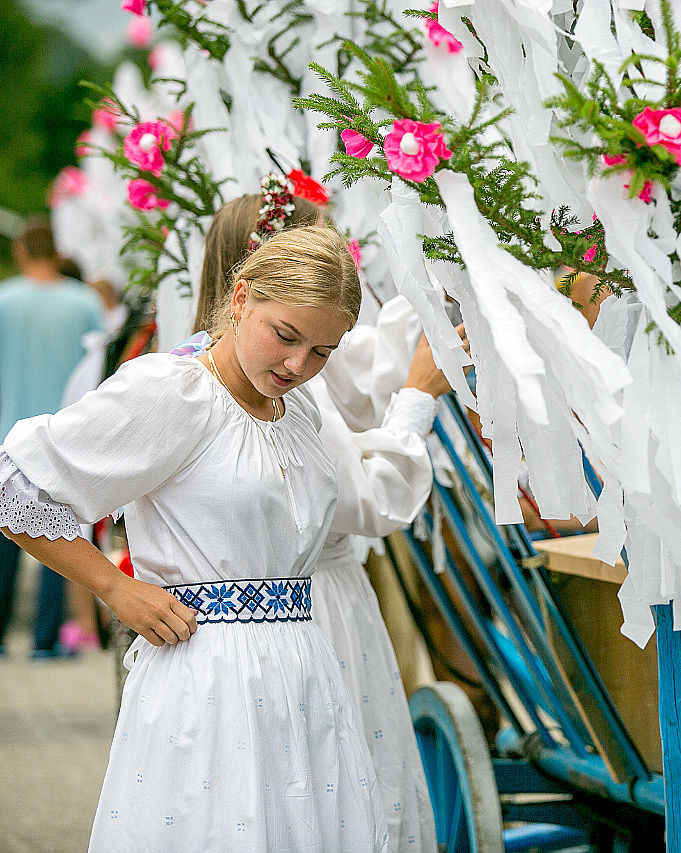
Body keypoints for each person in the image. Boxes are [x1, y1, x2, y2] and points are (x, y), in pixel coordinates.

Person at [0, 225, 388, 851]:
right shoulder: (174, 393)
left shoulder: (301, 410)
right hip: (204, 673)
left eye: (322, 351)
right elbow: (14, 487)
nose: (298, 366)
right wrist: (116, 588)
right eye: (286, 336)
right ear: (241, 298)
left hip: (303, 670)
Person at [185, 186, 453, 852]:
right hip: (312, 608)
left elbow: (360, 377)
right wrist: (419, 396)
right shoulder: (268, 390)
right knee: (321, 795)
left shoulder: (265, 369)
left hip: (285, 611)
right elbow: (365, 500)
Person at [0, 218, 103, 658]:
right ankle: (45, 640)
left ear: (21, 251)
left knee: (5, 532)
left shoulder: (4, 300)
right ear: (58, 253)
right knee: (60, 535)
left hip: (7, 432)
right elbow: (99, 367)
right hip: (64, 438)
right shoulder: (84, 303)